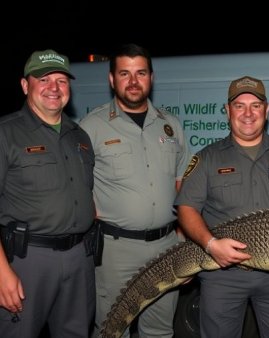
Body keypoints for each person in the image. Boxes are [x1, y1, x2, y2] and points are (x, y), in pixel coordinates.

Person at [175, 75, 269, 338]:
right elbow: (186, 208)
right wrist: (211, 244)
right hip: (223, 273)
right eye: (239, 105)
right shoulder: (207, 158)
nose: (248, 113)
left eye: (255, 105)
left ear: (266, 110)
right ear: (227, 111)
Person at [79, 43, 190, 337]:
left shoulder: (171, 125)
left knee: (159, 330)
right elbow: (78, 187)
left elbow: (183, 185)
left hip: (166, 245)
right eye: (124, 73)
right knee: (112, 329)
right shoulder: (92, 127)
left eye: (140, 73)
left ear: (151, 78)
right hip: (116, 250)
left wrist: (183, 239)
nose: (133, 81)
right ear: (112, 79)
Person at [0, 50, 96, 337]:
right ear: (25, 85)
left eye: (62, 80)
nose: (54, 88)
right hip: (27, 261)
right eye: (43, 79)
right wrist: (2, 274)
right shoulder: (6, 133)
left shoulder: (79, 136)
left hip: (80, 259)